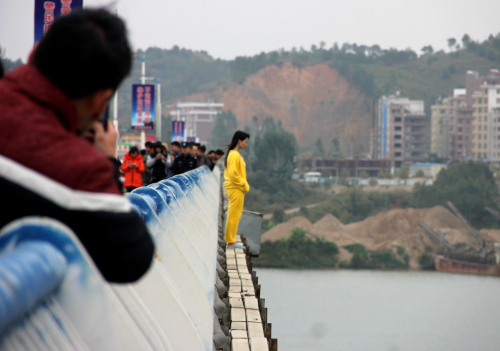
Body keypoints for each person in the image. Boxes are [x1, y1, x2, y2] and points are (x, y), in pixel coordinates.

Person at [0, 9, 154, 283]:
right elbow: (133, 257)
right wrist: (107, 160)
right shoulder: (78, 168)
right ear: (100, 101)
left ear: (35, 54)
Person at [224, 131, 250, 249]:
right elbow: (233, 174)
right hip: (236, 188)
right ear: (239, 141)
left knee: (236, 214)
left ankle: (231, 240)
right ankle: (231, 241)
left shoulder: (233, 154)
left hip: (236, 188)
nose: (246, 144)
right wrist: (244, 184)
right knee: (234, 214)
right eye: (245, 142)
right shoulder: (234, 155)